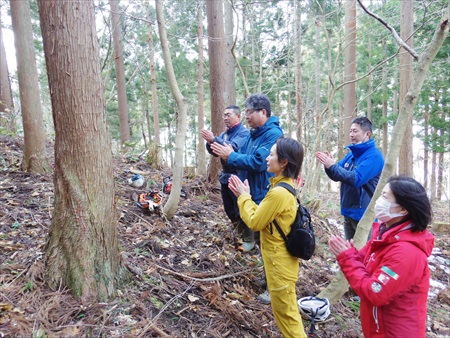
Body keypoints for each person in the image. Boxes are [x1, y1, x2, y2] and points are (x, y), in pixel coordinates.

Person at [329, 176, 434, 338]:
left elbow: (375, 292)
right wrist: (350, 255)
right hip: (379, 328)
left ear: (403, 209)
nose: (378, 201)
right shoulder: (385, 235)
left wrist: (348, 258)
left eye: (385, 197)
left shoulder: (407, 253)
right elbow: (363, 265)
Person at [228, 137, 307, 338]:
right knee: (284, 314)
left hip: (280, 266)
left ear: (284, 163)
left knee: (288, 317)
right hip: (279, 263)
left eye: (272, 155)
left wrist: (242, 196)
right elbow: (262, 217)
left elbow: (254, 223)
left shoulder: (279, 193)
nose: (267, 158)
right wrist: (245, 196)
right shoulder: (281, 187)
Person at [210, 93, 283, 253]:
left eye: (250, 112)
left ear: (263, 112)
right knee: (256, 233)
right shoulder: (253, 133)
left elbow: (259, 162)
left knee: (268, 240)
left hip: (264, 192)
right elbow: (240, 153)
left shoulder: (273, 134)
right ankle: (261, 262)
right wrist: (227, 153)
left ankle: (270, 273)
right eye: (246, 112)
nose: (247, 116)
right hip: (250, 190)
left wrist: (231, 155)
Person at [315, 117, 384, 240]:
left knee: (363, 254)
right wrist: (328, 166)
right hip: (348, 212)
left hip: (364, 216)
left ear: (367, 134)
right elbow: (337, 175)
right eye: (350, 131)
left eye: (355, 131)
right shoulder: (351, 154)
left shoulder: (374, 156)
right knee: (351, 254)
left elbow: (356, 179)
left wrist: (332, 166)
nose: (351, 135)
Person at [201, 106, 249, 227]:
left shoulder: (244, 133)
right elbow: (214, 152)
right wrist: (210, 142)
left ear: (238, 116)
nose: (225, 118)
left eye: (229, 115)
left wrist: (214, 139)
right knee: (229, 208)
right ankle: (237, 232)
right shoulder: (224, 134)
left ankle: (247, 238)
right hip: (225, 175)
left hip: (239, 174)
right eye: (224, 115)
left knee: (240, 207)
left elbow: (233, 147)